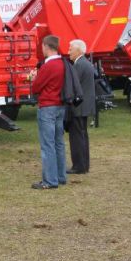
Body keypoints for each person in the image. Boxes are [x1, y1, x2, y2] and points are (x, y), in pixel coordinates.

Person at [28, 35, 66, 189]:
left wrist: (33, 78)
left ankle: (50, 180)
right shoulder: (63, 63)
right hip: (60, 105)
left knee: (47, 145)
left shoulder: (48, 66)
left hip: (47, 106)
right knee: (59, 143)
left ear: (46, 46)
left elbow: (36, 87)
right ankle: (60, 176)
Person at [66, 39, 95, 175]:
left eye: (70, 49)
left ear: (78, 50)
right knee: (82, 136)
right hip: (84, 107)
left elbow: (73, 87)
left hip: (78, 108)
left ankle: (79, 166)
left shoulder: (79, 65)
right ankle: (83, 165)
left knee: (77, 137)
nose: (68, 52)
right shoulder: (85, 63)